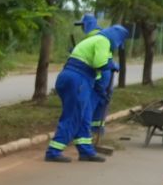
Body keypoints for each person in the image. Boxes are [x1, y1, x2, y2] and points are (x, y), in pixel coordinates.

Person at [46, 24, 126, 163]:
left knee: (84, 117)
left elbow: (98, 76)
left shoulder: (94, 41)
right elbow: (99, 63)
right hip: (78, 80)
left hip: (73, 78)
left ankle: (86, 151)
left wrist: (102, 92)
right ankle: (53, 152)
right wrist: (111, 65)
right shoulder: (103, 41)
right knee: (73, 116)